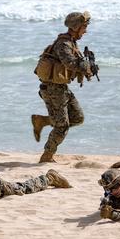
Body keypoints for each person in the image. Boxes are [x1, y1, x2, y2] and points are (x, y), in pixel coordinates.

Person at [32, 11, 93, 163]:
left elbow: (74, 64)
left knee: (77, 117)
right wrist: (85, 66)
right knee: (62, 126)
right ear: (76, 27)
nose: (85, 31)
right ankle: (47, 156)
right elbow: (70, 63)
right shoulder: (63, 44)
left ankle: (43, 121)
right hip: (53, 89)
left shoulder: (71, 42)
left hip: (61, 88)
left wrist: (87, 68)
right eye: (84, 27)